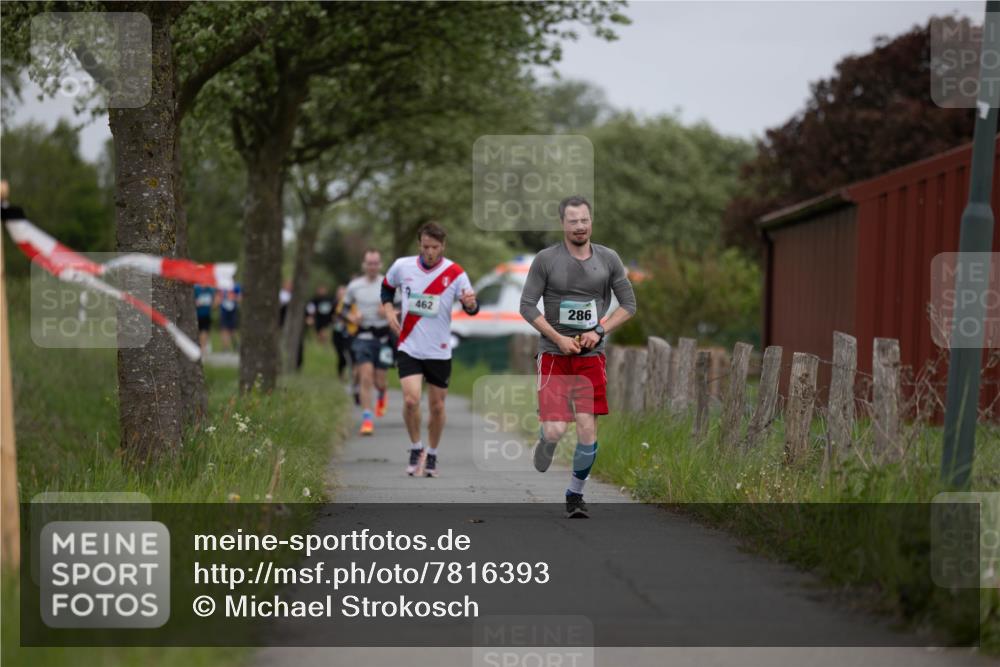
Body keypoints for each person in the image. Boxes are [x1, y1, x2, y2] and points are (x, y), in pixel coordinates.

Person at [519, 195, 636, 518]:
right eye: (573, 221)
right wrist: (558, 338)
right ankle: (546, 441)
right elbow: (527, 306)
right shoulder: (546, 259)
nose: (580, 226)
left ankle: (575, 495)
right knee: (556, 430)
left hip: (591, 356)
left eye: (585, 220)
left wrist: (599, 330)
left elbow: (629, 305)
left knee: (587, 428)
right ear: (563, 224)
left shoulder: (609, 259)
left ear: (591, 221)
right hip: (554, 355)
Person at [381, 222, 479, 477]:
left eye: (435, 247)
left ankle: (432, 453)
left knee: (437, 407)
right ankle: (416, 447)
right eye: (425, 247)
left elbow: (471, 307)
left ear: (443, 246)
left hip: (439, 349)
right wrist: (389, 309)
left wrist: (470, 304)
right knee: (411, 399)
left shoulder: (456, 273)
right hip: (409, 345)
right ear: (419, 245)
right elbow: (386, 287)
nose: (430, 252)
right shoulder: (403, 266)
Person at [341, 251, 392, 435]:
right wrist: (353, 317)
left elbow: (402, 307)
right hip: (362, 338)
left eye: (376, 263)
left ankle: (382, 394)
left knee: (380, 381)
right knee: (366, 377)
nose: (372, 266)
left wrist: (387, 310)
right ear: (364, 265)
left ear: (380, 264)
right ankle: (367, 419)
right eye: (369, 263)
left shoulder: (388, 283)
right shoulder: (354, 286)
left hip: (383, 339)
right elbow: (343, 310)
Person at [331, 285, 354, 382]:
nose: (342, 295)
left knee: (349, 353)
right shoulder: (335, 303)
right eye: (340, 293)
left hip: (348, 332)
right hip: (337, 332)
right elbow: (331, 316)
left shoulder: (350, 304)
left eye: (343, 293)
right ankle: (341, 374)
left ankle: (351, 374)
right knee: (340, 354)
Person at [216, 282, 241, 352]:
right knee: (224, 330)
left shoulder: (236, 286)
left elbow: (240, 298)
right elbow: (218, 298)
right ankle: (225, 348)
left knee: (233, 330)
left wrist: (233, 297)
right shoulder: (221, 286)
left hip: (233, 311)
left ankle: (236, 345)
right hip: (223, 311)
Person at [194, 283, 216, 353]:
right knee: (198, 332)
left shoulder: (210, 290)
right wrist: (196, 303)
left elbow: (214, 301)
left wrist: (213, 304)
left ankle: (203, 348)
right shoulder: (196, 289)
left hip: (206, 314)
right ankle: (200, 347)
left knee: (205, 331)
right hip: (197, 315)